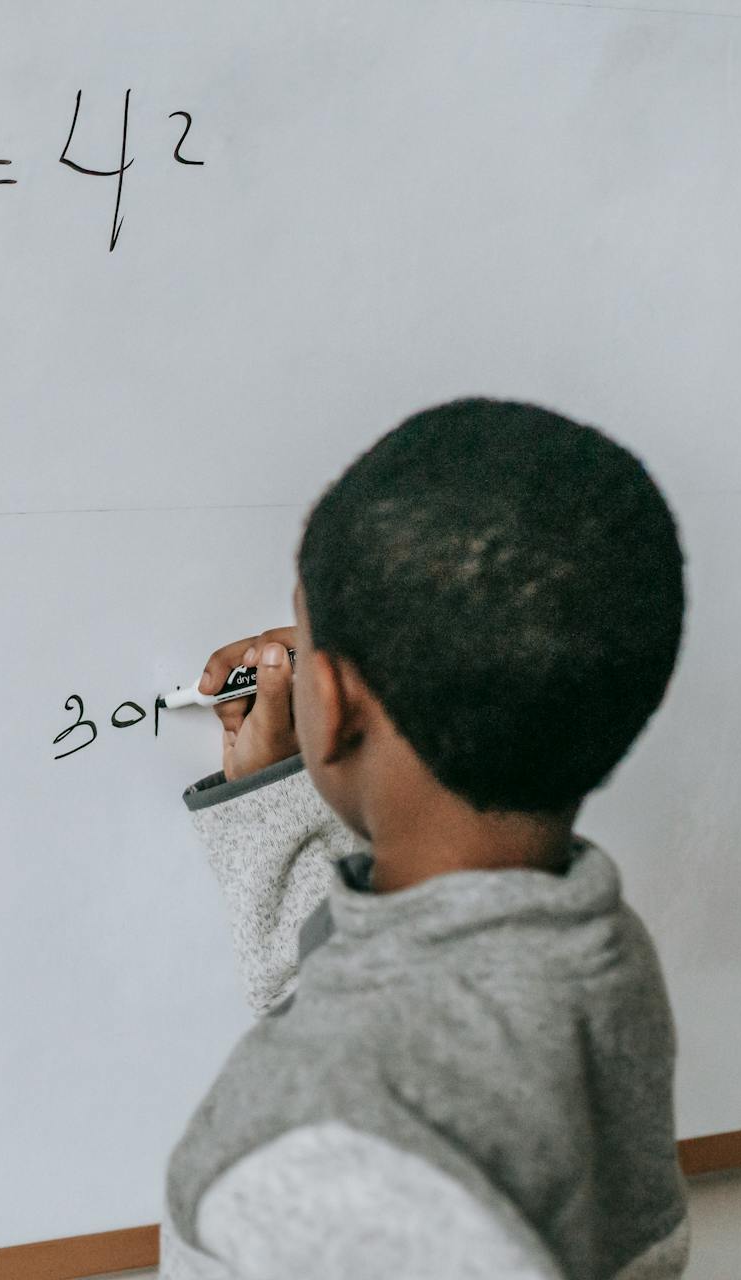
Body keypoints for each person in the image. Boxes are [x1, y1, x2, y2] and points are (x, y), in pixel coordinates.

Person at [160, 399, 690, 1279]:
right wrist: (282, 784)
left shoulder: (318, 1149)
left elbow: (365, 1053)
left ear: (331, 705)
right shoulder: (592, 954)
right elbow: (372, 987)